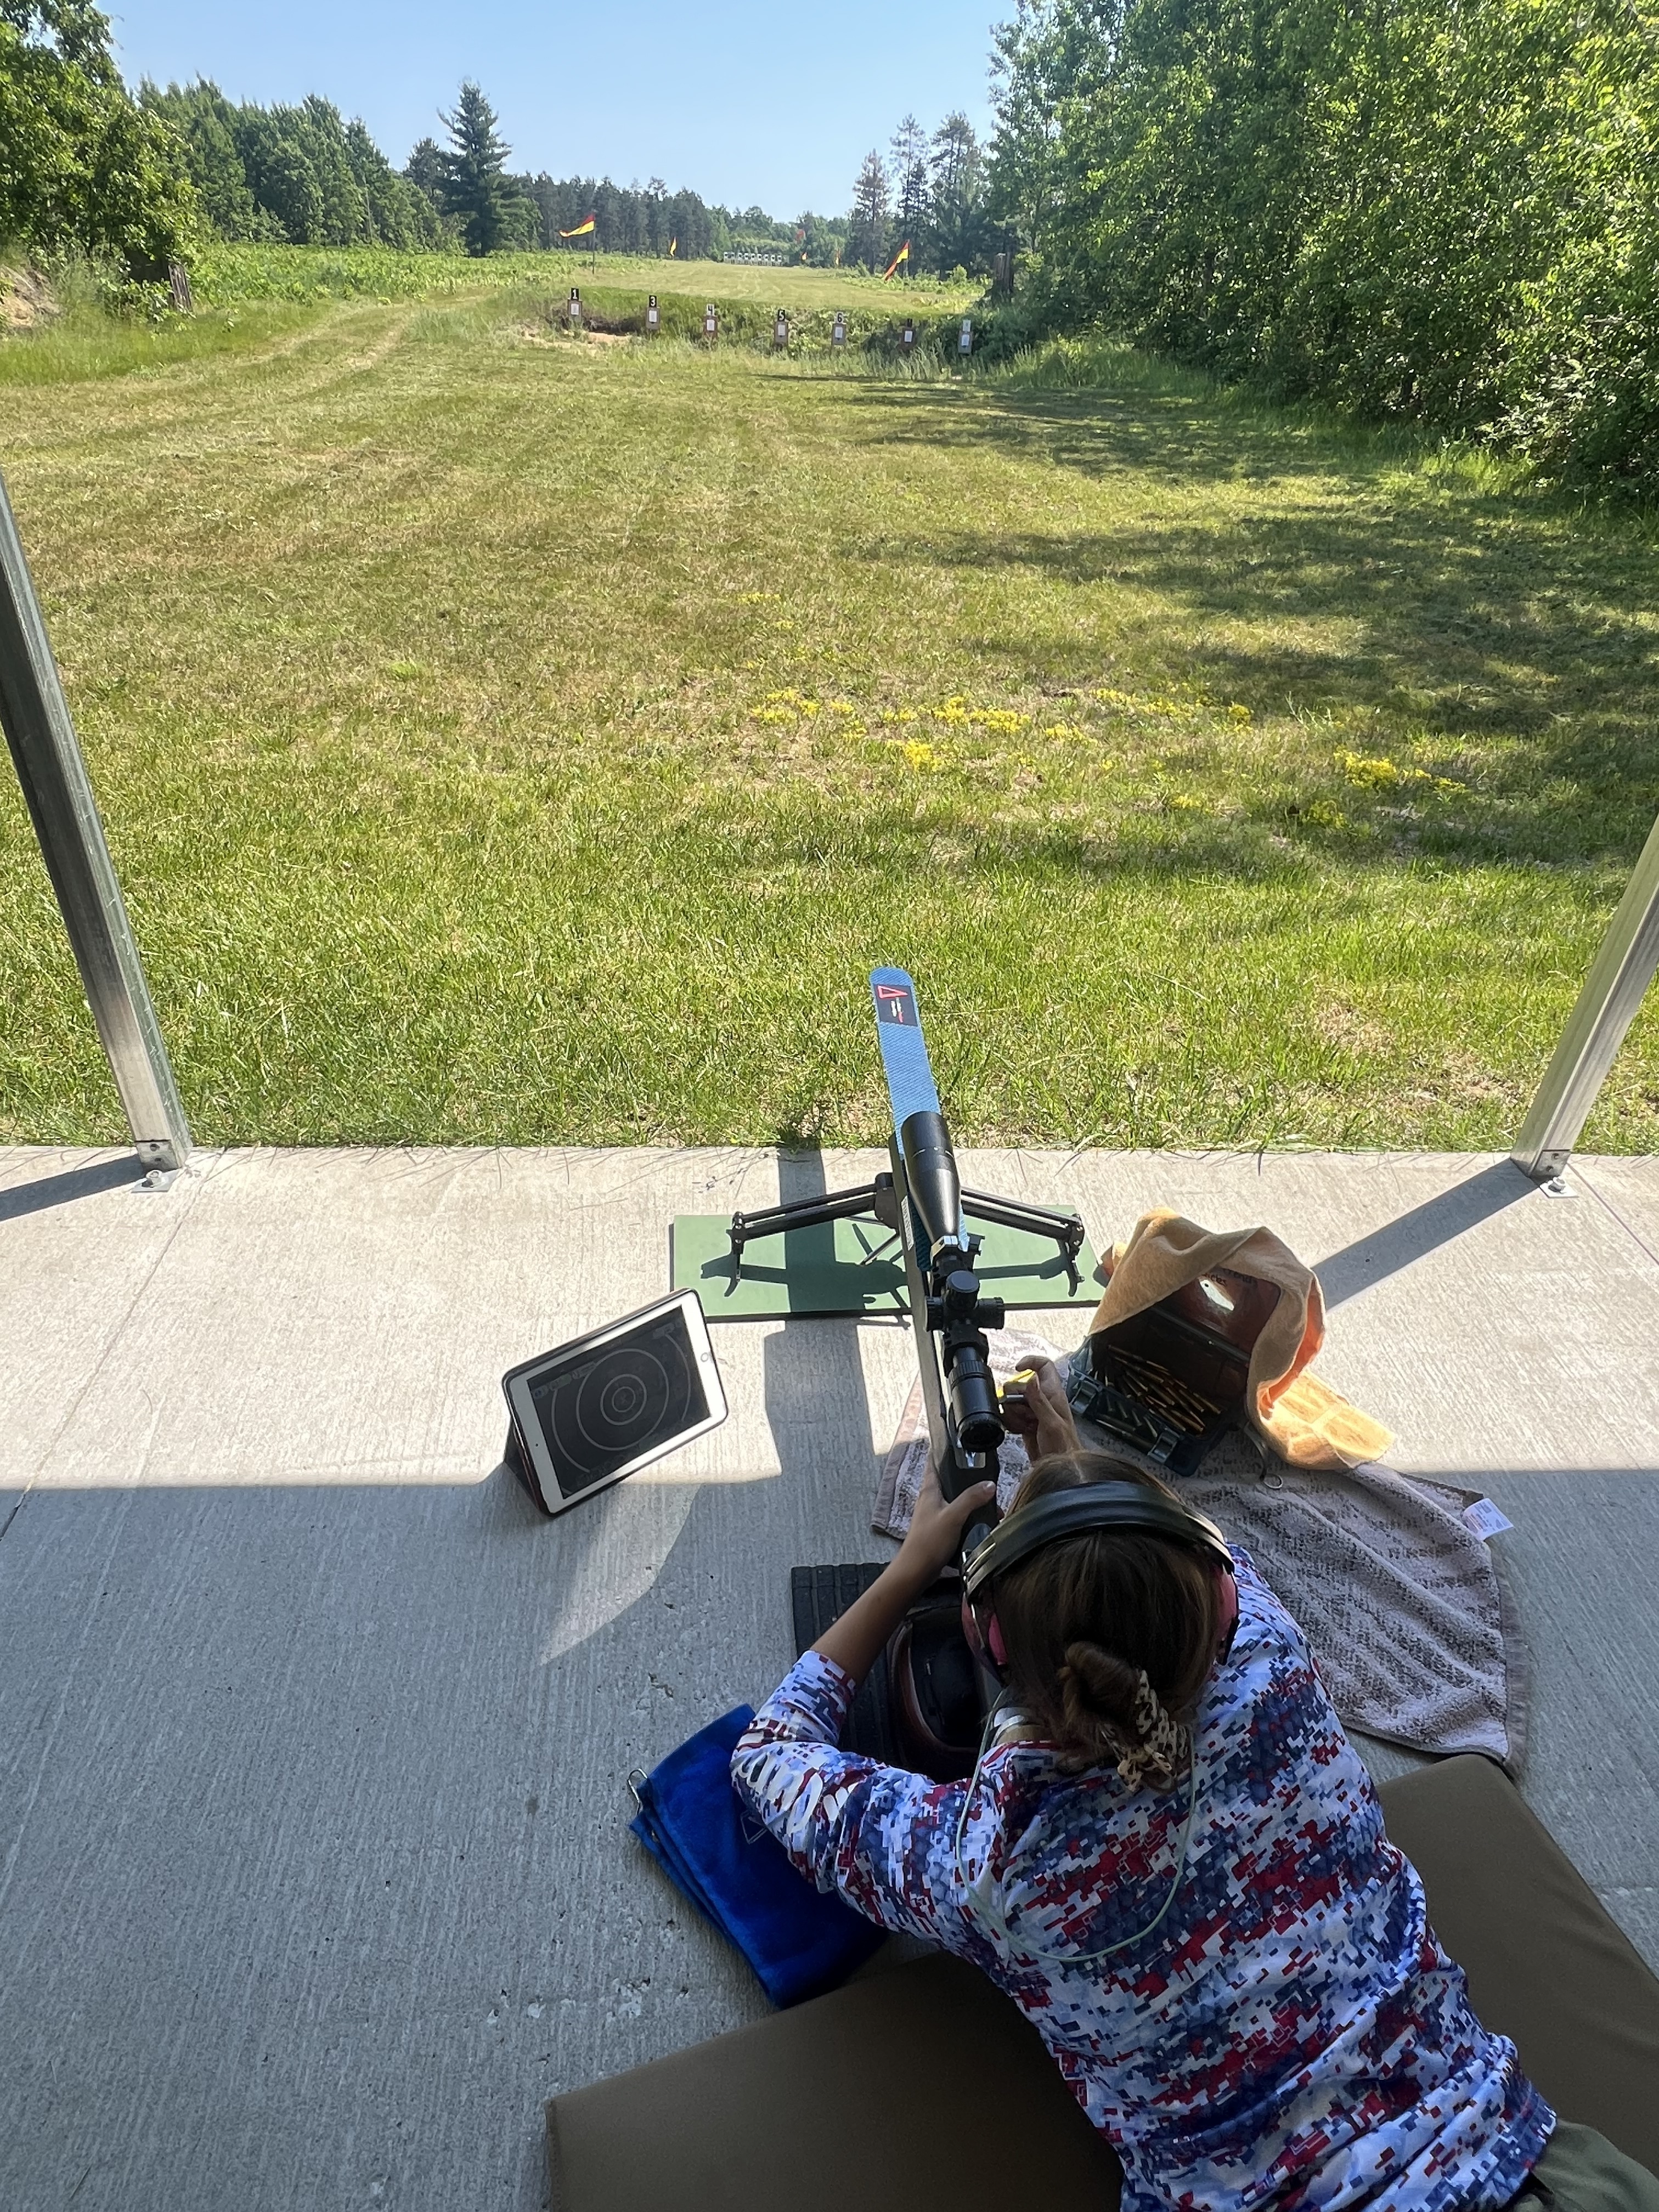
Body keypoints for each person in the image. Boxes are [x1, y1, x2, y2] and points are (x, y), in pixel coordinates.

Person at [730, 1357, 1659, 2212]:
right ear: (1218, 1602)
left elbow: (768, 1752)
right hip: (1505, 2161)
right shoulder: (1277, 1664)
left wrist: (907, 1571)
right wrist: (1071, 1459)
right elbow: (1194, 1569)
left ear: (992, 1642)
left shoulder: (996, 1864)